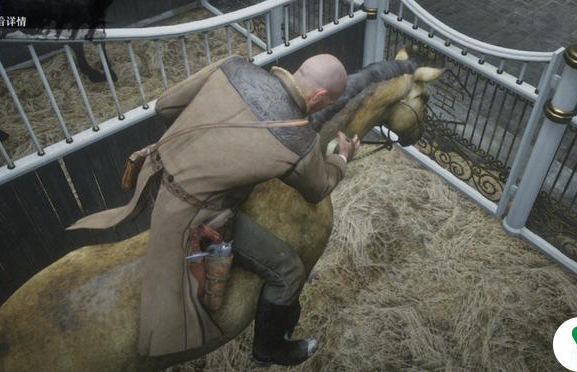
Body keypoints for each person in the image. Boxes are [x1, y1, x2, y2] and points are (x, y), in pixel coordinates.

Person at [67, 53, 361, 365]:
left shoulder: (233, 66)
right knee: (288, 271)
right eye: (327, 103)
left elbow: (164, 106)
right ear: (318, 96)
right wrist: (341, 158)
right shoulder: (300, 140)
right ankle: (270, 348)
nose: (324, 108)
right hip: (196, 217)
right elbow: (318, 190)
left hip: (156, 180)